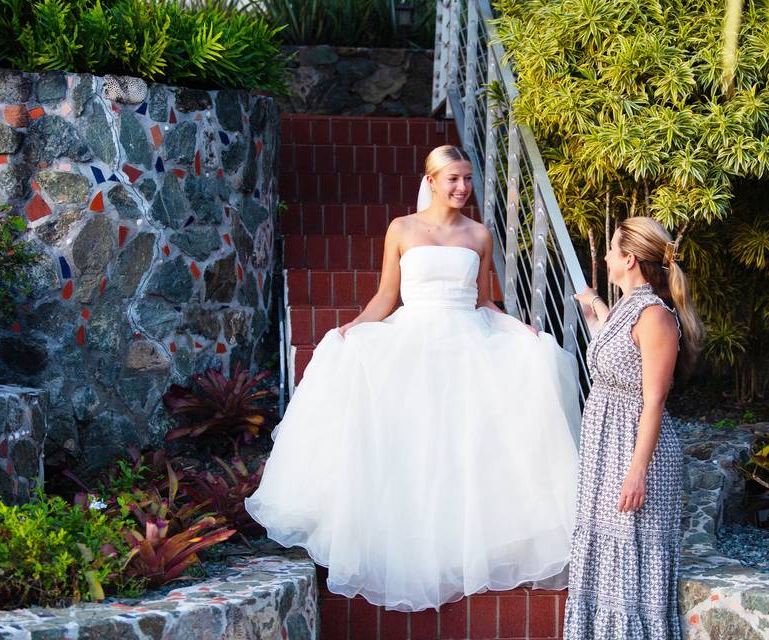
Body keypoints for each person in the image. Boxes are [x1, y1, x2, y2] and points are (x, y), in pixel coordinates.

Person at [245, 144, 581, 612]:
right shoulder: (401, 229)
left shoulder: (480, 234)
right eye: (453, 179)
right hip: (415, 338)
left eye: (467, 178)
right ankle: (411, 539)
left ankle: (474, 545)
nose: (463, 187)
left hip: (468, 341)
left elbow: (483, 300)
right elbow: (387, 297)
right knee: (417, 442)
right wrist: (352, 328)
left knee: (471, 437)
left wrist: (520, 329)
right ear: (432, 180)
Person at [565, 217, 703, 639]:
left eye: (610, 249)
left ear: (628, 259)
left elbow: (654, 401)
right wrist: (595, 310)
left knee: (630, 559)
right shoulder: (628, 304)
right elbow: (617, 351)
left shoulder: (656, 317)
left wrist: (637, 470)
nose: (605, 256)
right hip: (606, 448)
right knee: (606, 554)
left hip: (634, 449)